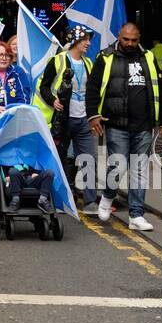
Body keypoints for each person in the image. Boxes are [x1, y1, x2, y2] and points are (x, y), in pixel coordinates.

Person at [86, 22, 162, 231]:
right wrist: (93, 115)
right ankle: (108, 195)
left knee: (139, 170)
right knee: (117, 166)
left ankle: (136, 215)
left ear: (139, 39)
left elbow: (159, 87)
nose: (130, 43)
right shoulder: (105, 57)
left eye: (134, 40)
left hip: (143, 125)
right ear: (119, 37)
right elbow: (92, 88)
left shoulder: (147, 57)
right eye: (126, 39)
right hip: (116, 124)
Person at [41, 25, 99, 211]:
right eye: (85, 40)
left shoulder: (89, 63)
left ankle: (90, 202)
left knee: (89, 159)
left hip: (84, 120)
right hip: (64, 121)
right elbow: (44, 86)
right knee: (62, 161)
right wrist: (53, 100)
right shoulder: (57, 61)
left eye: (89, 40)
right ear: (75, 41)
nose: (88, 43)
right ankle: (61, 200)